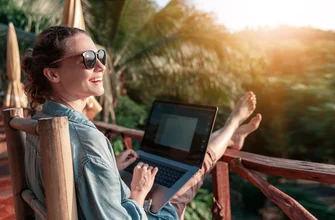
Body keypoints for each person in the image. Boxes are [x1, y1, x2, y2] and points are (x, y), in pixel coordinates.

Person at [22, 26, 262, 220]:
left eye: (100, 55)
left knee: (183, 160)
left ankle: (228, 134)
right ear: (53, 74)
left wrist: (109, 171)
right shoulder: (86, 140)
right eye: (87, 59)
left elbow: (75, 183)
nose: (101, 66)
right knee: (196, 164)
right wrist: (138, 192)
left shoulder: (40, 120)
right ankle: (231, 126)